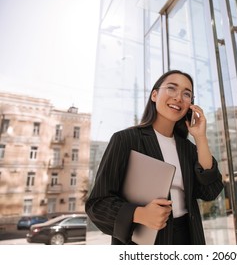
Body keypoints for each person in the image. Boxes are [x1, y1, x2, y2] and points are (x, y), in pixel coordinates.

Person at [85, 70, 224, 245]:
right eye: (172, 88)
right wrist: (140, 214)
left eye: (187, 94)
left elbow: (210, 190)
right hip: (145, 241)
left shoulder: (187, 148)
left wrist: (200, 138)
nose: (179, 97)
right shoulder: (126, 140)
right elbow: (97, 205)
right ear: (154, 95)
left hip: (188, 237)